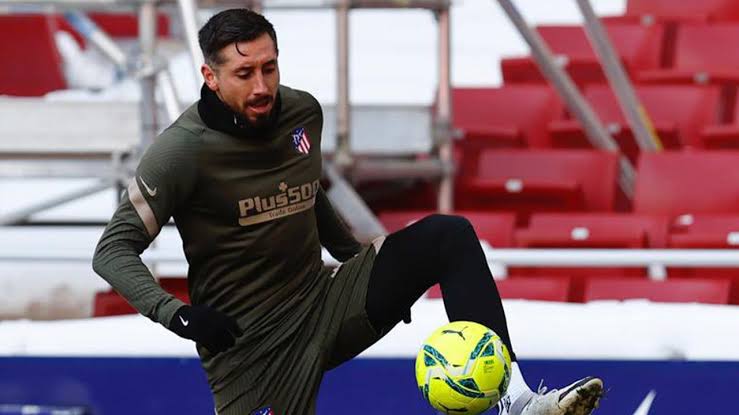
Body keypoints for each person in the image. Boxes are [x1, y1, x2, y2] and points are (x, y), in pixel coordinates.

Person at [92, 8, 603, 415]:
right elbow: (112, 252)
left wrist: (360, 261)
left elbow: (305, 191)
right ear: (210, 76)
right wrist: (178, 315)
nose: (262, 86)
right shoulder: (180, 152)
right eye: (244, 73)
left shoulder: (301, 112)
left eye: (269, 67)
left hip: (325, 302)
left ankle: (516, 402)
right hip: (250, 347)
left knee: (448, 236)